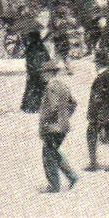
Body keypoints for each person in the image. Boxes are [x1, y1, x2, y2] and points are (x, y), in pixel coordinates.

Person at [37, 60, 78, 192]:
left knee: (48, 155)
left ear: (50, 73)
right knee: (54, 152)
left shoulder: (51, 87)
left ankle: (54, 185)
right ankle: (72, 177)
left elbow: (53, 106)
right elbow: (73, 104)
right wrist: (65, 117)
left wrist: (44, 120)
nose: (42, 76)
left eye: (43, 73)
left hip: (52, 127)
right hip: (63, 127)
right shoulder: (63, 85)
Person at [84, 61, 109, 173]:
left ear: (98, 64)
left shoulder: (100, 78)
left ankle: (93, 163)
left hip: (99, 113)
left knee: (91, 135)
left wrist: (92, 115)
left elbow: (97, 98)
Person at [20, 30, 50, 112]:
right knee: (41, 89)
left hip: (34, 71)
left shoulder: (31, 47)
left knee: (32, 89)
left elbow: (29, 61)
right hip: (41, 70)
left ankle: (30, 107)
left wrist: (30, 70)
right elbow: (47, 58)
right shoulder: (42, 46)